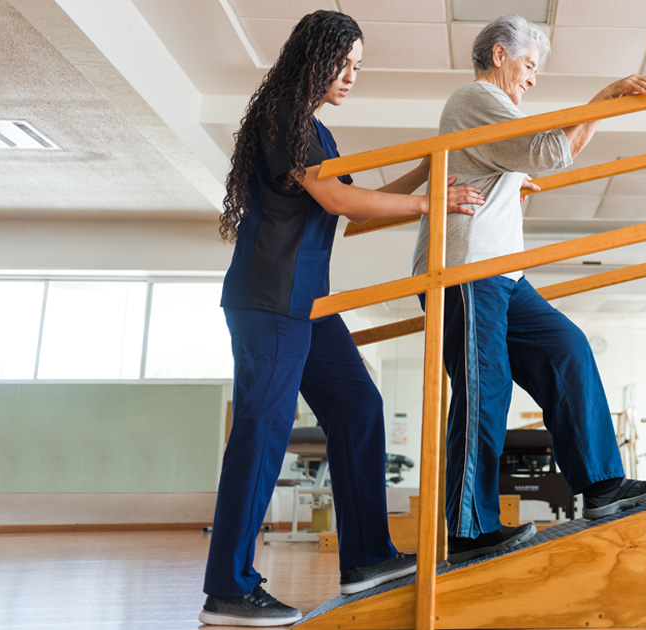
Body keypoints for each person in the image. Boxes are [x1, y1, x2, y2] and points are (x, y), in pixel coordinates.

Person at [203, 11, 484, 627]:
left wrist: (431, 175)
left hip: (309, 307)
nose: (353, 75)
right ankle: (228, 588)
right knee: (263, 432)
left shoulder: (315, 132)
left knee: (359, 405)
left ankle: (366, 556)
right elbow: (336, 198)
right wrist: (429, 199)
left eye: (359, 65)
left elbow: (356, 212)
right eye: (346, 62)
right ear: (316, 57)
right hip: (269, 303)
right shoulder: (283, 115)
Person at [411, 14, 646, 564]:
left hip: (504, 274)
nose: (532, 78)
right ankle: (468, 528)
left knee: (566, 349)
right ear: (500, 56)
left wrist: (511, 183)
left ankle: (600, 485)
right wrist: (606, 96)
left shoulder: (496, 112)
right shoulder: (475, 96)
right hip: (464, 272)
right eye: (529, 65)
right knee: (487, 392)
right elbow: (554, 150)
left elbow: (528, 156)